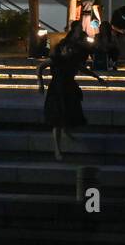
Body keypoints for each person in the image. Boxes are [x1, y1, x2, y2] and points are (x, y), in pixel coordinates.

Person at [38, 24, 102, 160]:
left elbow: (83, 69)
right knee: (57, 120)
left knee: (66, 114)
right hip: (56, 90)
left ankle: (66, 131)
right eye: (68, 49)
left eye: (71, 49)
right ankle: (57, 150)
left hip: (68, 89)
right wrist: (41, 84)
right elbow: (40, 68)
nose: (70, 50)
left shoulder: (72, 60)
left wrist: (97, 77)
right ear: (62, 49)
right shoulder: (55, 59)